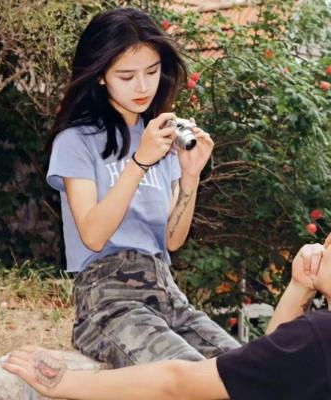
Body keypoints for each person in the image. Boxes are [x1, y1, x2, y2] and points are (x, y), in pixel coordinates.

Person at [44, 6, 240, 369]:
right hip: (108, 299)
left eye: (152, 71)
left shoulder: (161, 137)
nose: (143, 86)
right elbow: (93, 235)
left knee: (246, 368)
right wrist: (139, 162)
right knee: (188, 376)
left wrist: (190, 176)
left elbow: (172, 240)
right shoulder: (77, 141)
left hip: (168, 295)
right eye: (127, 75)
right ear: (100, 75)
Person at [2, 236, 331, 400]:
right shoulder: (315, 339)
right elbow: (273, 373)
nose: (322, 245)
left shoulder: (319, 334)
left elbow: (178, 383)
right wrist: (299, 287)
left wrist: (64, 382)